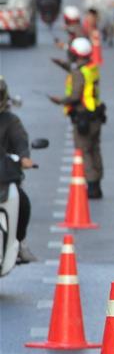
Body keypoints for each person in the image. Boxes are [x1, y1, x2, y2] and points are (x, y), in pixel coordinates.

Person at [49, 37, 105, 199]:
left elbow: (74, 96)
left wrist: (59, 100)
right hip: (96, 115)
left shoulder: (78, 72)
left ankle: (92, 185)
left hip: (83, 117)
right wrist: (62, 64)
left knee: (85, 151)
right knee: (95, 149)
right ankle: (97, 183)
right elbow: (78, 72)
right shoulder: (91, 68)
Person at [0, 77, 36, 263]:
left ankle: (19, 242)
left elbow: (20, 141)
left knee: (23, 203)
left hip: (4, 177)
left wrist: (25, 157)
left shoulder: (11, 120)